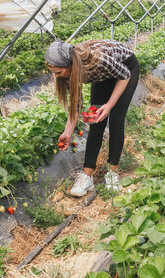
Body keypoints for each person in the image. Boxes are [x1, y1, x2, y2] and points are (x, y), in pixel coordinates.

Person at [45, 39, 140, 197]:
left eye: (58, 72)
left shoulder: (97, 60)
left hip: (126, 70)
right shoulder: (69, 74)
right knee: (95, 121)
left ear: (70, 66)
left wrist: (109, 105)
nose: (56, 77)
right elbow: (75, 105)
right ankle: (87, 176)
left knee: (116, 120)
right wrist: (67, 132)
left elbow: (124, 75)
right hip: (102, 76)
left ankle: (112, 173)